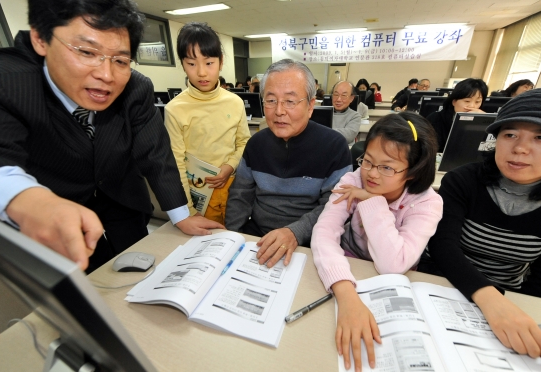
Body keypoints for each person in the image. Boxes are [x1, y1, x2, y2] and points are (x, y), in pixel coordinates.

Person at [0, 0, 222, 273]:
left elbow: (156, 154)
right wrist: (28, 200)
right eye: (86, 52)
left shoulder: (136, 87)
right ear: (40, 38)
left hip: (123, 197)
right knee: (88, 277)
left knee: (139, 267)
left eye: (121, 60)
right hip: (60, 208)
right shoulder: (2, 80)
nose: (106, 75)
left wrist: (182, 216)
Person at [419, 87, 541, 369]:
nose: (520, 147)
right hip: (443, 286)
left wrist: (507, 310)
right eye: (510, 134)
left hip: (511, 301)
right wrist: (488, 299)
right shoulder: (464, 180)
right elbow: (442, 247)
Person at [312, 112, 442, 371]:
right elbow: (324, 233)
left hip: (396, 279)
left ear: (414, 171)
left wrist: (371, 200)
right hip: (348, 266)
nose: (370, 174)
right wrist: (347, 296)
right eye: (368, 161)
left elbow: (393, 264)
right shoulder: (353, 179)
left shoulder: (427, 202)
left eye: (387, 167)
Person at [225, 59, 352, 268]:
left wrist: (295, 232)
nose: (279, 111)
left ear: (311, 106)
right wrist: (232, 237)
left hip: (309, 243)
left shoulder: (335, 147)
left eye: (290, 101)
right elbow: (240, 197)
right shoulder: (256, 144)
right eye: (271, 100)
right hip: (258, 239)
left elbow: (335, 207)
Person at [164, 22, 250, 226]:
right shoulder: (175, 109)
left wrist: (229, 167)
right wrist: (189, 210)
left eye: (209, 63)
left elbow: (245, 143)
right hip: (196, 196)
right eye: (192, 64)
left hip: (233, 190)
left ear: (220, 62)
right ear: (183, 64)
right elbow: (175, 164)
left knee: (235, 238)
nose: (201, 72)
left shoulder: (234, 102)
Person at [426, 78, 488, 152]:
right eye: (467, 101)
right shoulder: (435, 119)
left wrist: (485, 121)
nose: (472, 106)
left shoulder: (484, 123)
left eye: (477, 102)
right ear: (454, 102)